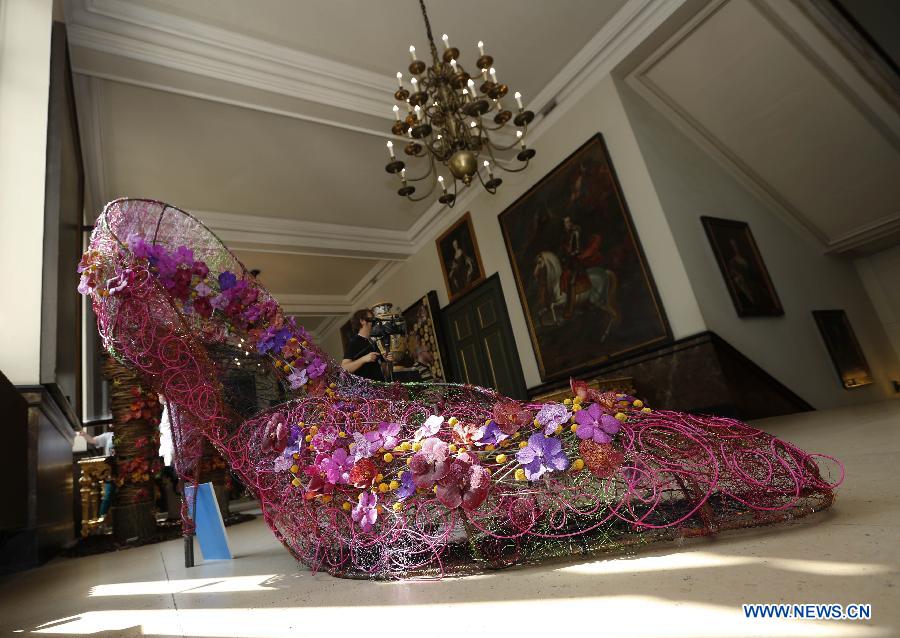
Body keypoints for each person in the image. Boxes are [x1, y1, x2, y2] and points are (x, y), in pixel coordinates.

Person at [341, 308, 393, 381]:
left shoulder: (372, 343)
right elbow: (344, 368)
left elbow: (385, 373)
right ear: (362, 321)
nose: (373, 322)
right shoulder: (354, 342)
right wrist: (363, 359)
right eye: (371, 319)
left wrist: (389, 362)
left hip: (379, 388)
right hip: (365, 390)